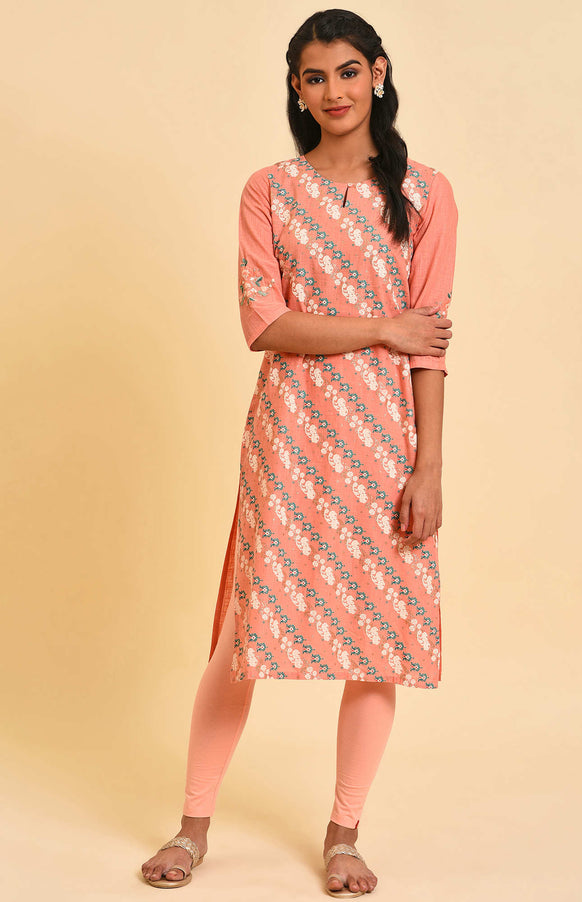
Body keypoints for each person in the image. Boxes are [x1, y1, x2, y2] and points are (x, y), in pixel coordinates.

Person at [141, 8, 458, 897]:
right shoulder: (270, 191)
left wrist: (430, 467)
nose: (334, 91)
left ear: (379, 74)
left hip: (387, 442)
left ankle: (344, 836)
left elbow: (431, 346)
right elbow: (265, 324)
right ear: (296, 89)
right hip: (289, 439)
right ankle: (192, 828)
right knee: (242, 638)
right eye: (315, 77)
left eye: (349, 71)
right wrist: (383, 325)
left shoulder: (427, 193)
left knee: (375, 643)